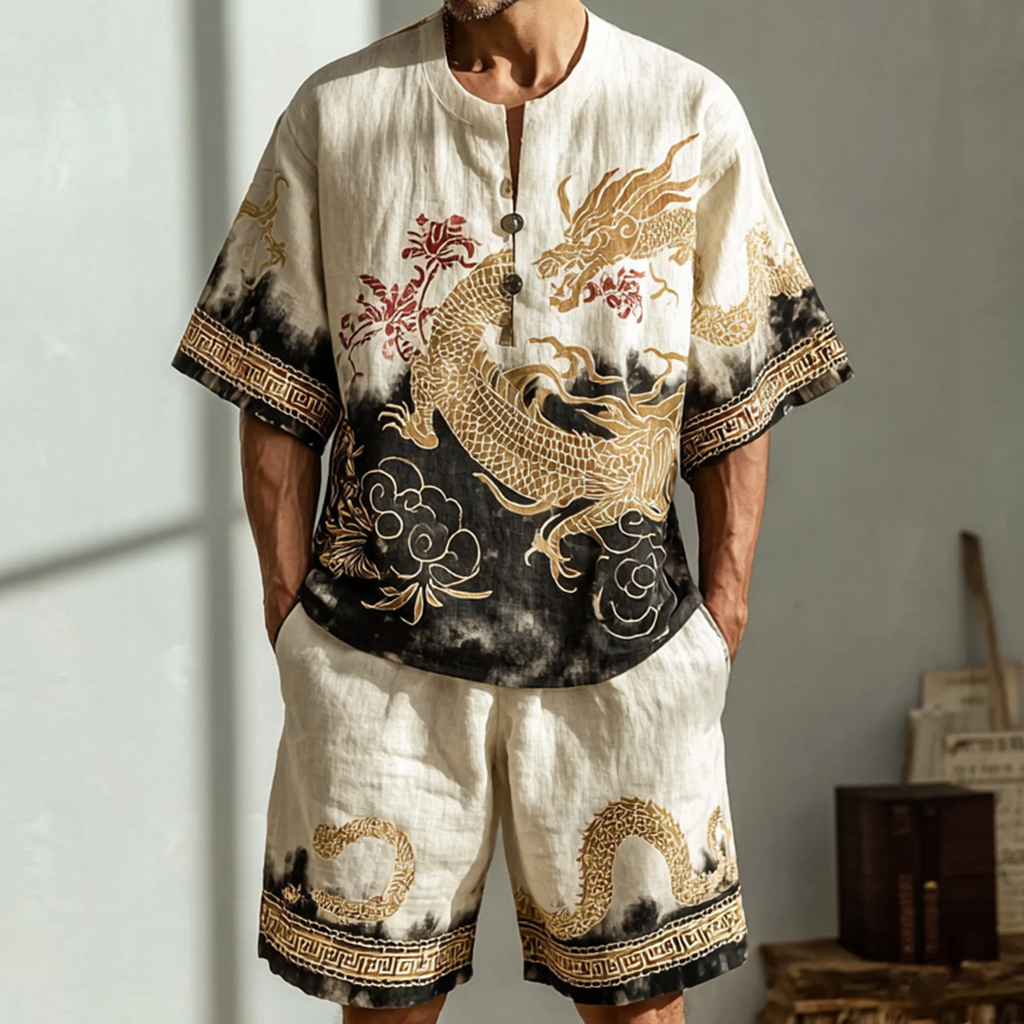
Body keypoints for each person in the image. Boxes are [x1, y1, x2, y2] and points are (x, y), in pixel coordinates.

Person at [171, 0, 853, 1020]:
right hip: (377, 653)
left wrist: (723, 611)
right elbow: (273, 373)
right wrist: (289, 611)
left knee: (638, 1008)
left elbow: (736, 381)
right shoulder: (338, 113)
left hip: (625, 649)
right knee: (384, 1009)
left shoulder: (686, 108)